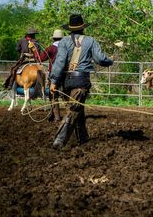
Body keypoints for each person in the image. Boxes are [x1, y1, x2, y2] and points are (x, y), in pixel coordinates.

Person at [50, 14, 113, 149]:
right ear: (83, 27)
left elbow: (59, 62)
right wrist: (110, 60)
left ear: (70, 28)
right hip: (81, 80)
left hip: (66, 81)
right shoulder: (90, 41)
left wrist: (53, 81)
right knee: (74, 109)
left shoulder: (64, 42)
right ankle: (60, 140)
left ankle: (82, 139)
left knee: (77, 109)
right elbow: (101, 59)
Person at [38, 29, 64, 122]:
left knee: (53, 94)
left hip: (53, 74)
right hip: (65, 73)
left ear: (53, 38)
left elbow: (40, 58)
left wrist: (34, 50)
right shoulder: (66, 48)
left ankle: (56, 116)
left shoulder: (50, 48)